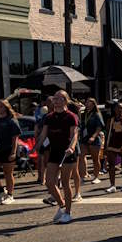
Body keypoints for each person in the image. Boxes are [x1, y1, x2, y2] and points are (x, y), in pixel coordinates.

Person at [35, 90, 79, 224]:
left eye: (59, 98)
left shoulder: (71, 116)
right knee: (49, 182)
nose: (56, 101)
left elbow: (75, 135)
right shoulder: (49, 117)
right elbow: (43, 134)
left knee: (65, 182)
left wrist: (72, 147)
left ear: (65, 101)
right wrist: (37, 146)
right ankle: (62, 205)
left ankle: (68, 213)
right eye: (55, 98)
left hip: (67, 153)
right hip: (54, 151)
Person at [103, 101, 122, 194]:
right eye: (117, 108)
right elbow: (108, 133)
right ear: (114, 109)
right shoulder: (110, 120)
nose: (119, 109)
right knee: (111, 165)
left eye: (121, 108)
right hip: (113, 143)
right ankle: (112, 185)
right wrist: (105, 146)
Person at [79, 98, 104, 185]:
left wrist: (93, 136)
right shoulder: (83, 114)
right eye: (87, 102)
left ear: (93, 105)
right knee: (81, 156)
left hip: (94, 139)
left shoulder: (97, 114)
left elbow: (99, 127)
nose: (87, 104)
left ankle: (96, 177)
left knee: (95, 158)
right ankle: (82, 176)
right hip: (84, 139)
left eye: (90, 103)